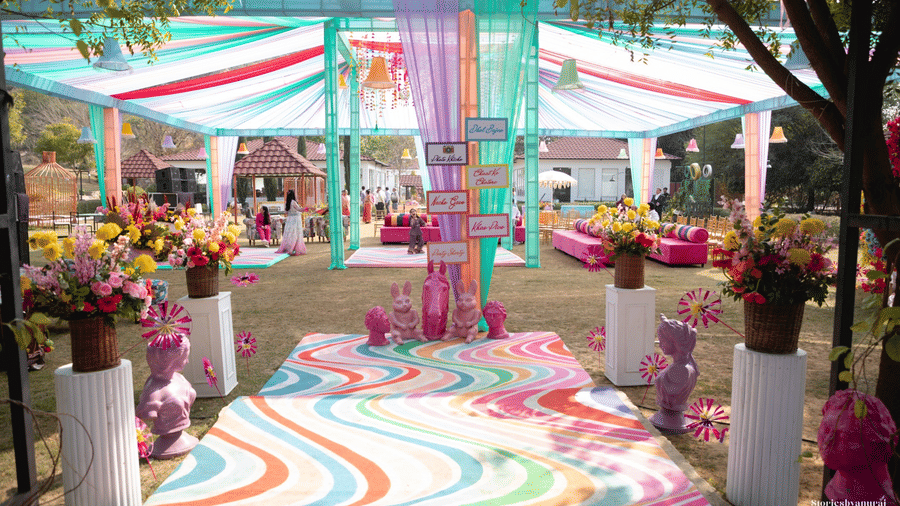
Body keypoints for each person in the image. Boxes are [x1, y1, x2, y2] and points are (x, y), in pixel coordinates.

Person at [276, 190, 307, 255]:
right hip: (296, 219)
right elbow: (299, 209)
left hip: (290, 219)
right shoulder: (293, 202)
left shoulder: (287, 203)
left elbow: (286, 212)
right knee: (296, 233)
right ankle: (295, 248)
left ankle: (289, 248)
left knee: (290, 234)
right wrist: (306, 209)